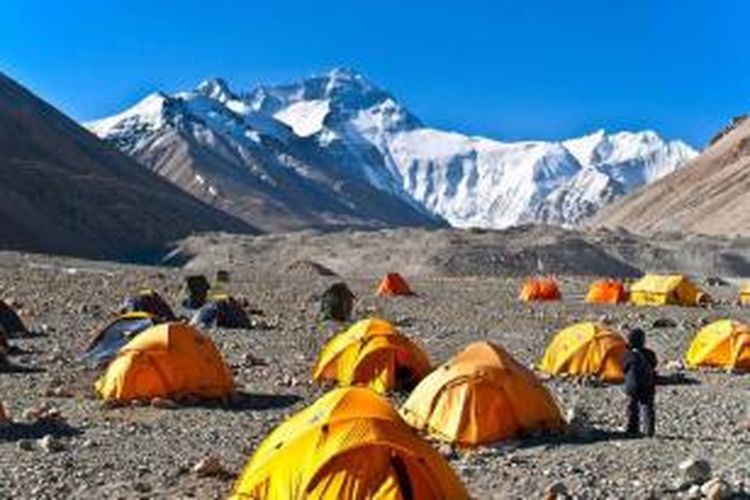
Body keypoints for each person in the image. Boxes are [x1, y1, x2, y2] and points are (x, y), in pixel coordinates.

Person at [622, 327, 657, 437]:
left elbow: (623, 367)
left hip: (632, 385)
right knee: (647, 407)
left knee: (632, 407)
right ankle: (649, 430)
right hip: (647, 383)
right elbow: (654, 363)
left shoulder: (627, 355)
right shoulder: (649, 353)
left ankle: (632, 429)